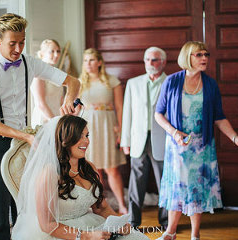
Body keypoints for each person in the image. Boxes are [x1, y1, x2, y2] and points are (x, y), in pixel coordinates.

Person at [0, 13, 81, 239]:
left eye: (22, 42)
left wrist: (69, 99)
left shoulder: (29, 62)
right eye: (13, 43)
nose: (18, 49)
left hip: (24, 145)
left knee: (25, 207)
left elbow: (73, 81)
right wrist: (29, 137)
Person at [154, 41, 238, 240]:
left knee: (197, 189)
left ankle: (195, 235)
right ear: (187, 57)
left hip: (202, 146)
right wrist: (174, 132)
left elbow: (219, 117)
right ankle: (170, 232)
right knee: (177, 188)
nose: (204, 58)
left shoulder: (211, 84)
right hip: (177, 146)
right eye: (199, 55)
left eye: (206, 54)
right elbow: (158, 114)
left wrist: (234, 137)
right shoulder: (171, 82)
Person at [12, 115, 149, 240]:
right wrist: (86, 236)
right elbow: (47, 224)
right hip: (63, 233)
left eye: (87, 135)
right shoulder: (50, 173)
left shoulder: (89, 168)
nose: (86, 141)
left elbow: (101, 208)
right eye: (80, 136)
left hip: (91, 223)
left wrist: (120, 224)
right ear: (66, 139)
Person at [121, 46, 169, 228]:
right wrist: (126, 141)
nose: (150, 63)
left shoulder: (171, 82)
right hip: (137, 140)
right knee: (136, 183)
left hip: (163, 140)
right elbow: (127, 114)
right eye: (147, 59)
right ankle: (133, 221)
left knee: (164, 182)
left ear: (163, 62)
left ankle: (166, 222)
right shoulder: (133, 83)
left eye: (155, 59)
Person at [78, 48, 128, 214]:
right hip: (88, 126)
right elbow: (75, 107)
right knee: (93, 169)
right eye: (85, 60)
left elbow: (120, 107)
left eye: (92, 60)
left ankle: (121, 204)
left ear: (99, 62)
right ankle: (100, 204)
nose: (88, 64)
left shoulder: (111, 81)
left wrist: (120, 129)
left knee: (112, 168)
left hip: (107, 125)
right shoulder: (79, 82)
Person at [31, 39, 65, 127]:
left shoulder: (58, 74)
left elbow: (61, 100)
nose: (56, 55)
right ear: (42, 54)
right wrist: (54, 122)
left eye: (58, 51)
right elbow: (40, 104)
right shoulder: (38, 74)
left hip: (57, 117)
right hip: (44, 119)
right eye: (52, 51)